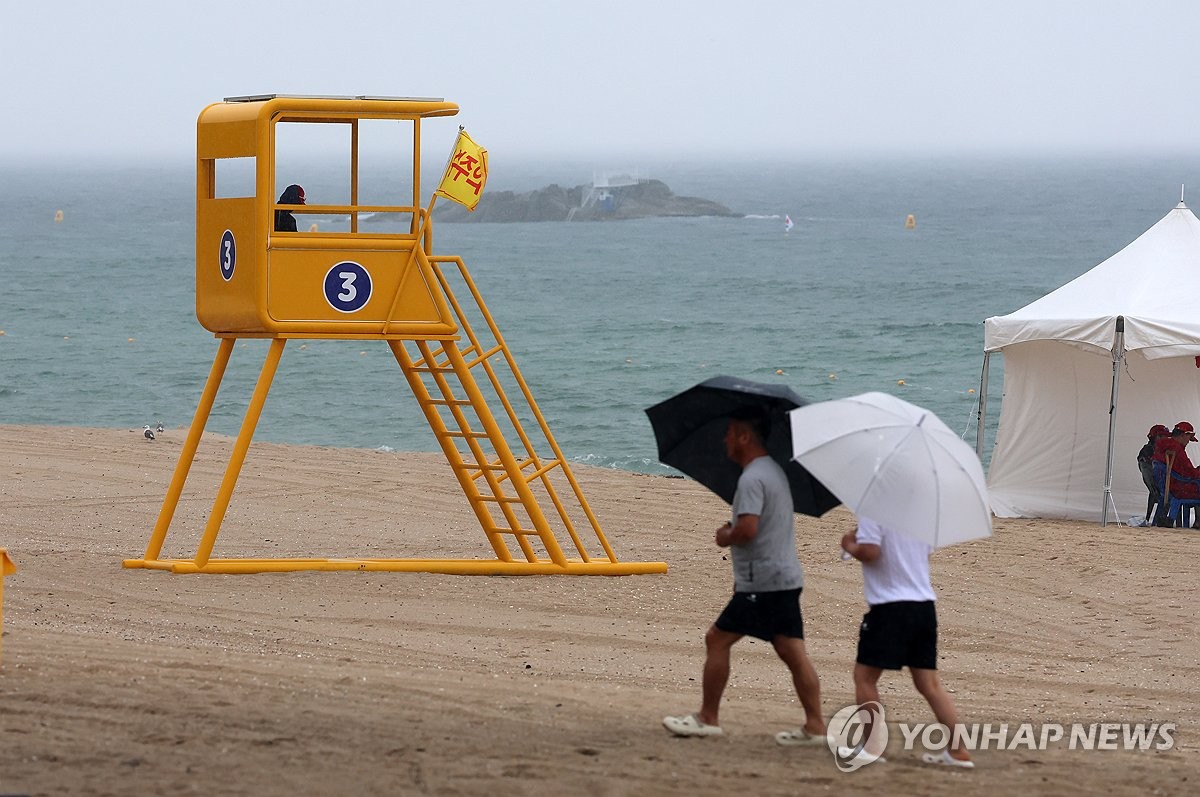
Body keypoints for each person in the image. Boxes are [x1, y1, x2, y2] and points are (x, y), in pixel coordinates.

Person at [662, 410, 827, 745]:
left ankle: (708, 718)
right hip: (783, 576)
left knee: (717, 639)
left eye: (729, 433)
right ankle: (815, 726)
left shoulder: (753, 478)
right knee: (792, 651)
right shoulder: (774, 472)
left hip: (763, 580)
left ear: (744, 437)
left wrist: (726, 536)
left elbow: (749, 529)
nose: (725, 440)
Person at [840, 517, 973, 769]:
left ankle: (870, 748)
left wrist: (851, 545)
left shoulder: (874, 509)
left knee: (865, 677)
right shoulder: (919, 514)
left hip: (890, 607)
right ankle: (958, 750)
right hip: (923, 606)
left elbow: (871, 552)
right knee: (929, 684)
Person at [1138, 425, 1170, 524]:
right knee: (1159, 494)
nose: (1166, 439)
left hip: (1159, 482)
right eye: (1162, 436)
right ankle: (1155, 519)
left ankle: (1153, 518)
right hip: (1156, 483)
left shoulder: (1160, 449)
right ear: (1156, 437)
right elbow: (1147, 469)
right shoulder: (1148, 450)